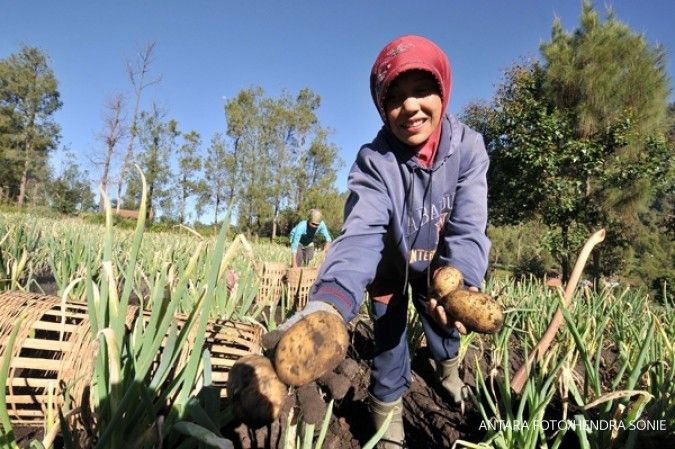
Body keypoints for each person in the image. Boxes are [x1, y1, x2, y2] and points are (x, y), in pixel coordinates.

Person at [274, 35, 490, 448]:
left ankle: (447, 370)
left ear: (443, 91)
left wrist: (462, 279)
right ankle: (386, 410)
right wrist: (329, 303)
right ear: (381, 104)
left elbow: (467, 226)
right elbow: (359, 236)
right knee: (389, 339)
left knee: (444, 324)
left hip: (442, 266)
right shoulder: (374, 162)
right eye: (395, 95)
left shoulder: (468, 149)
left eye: (422, 90)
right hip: (387, 267)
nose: (410, 106)